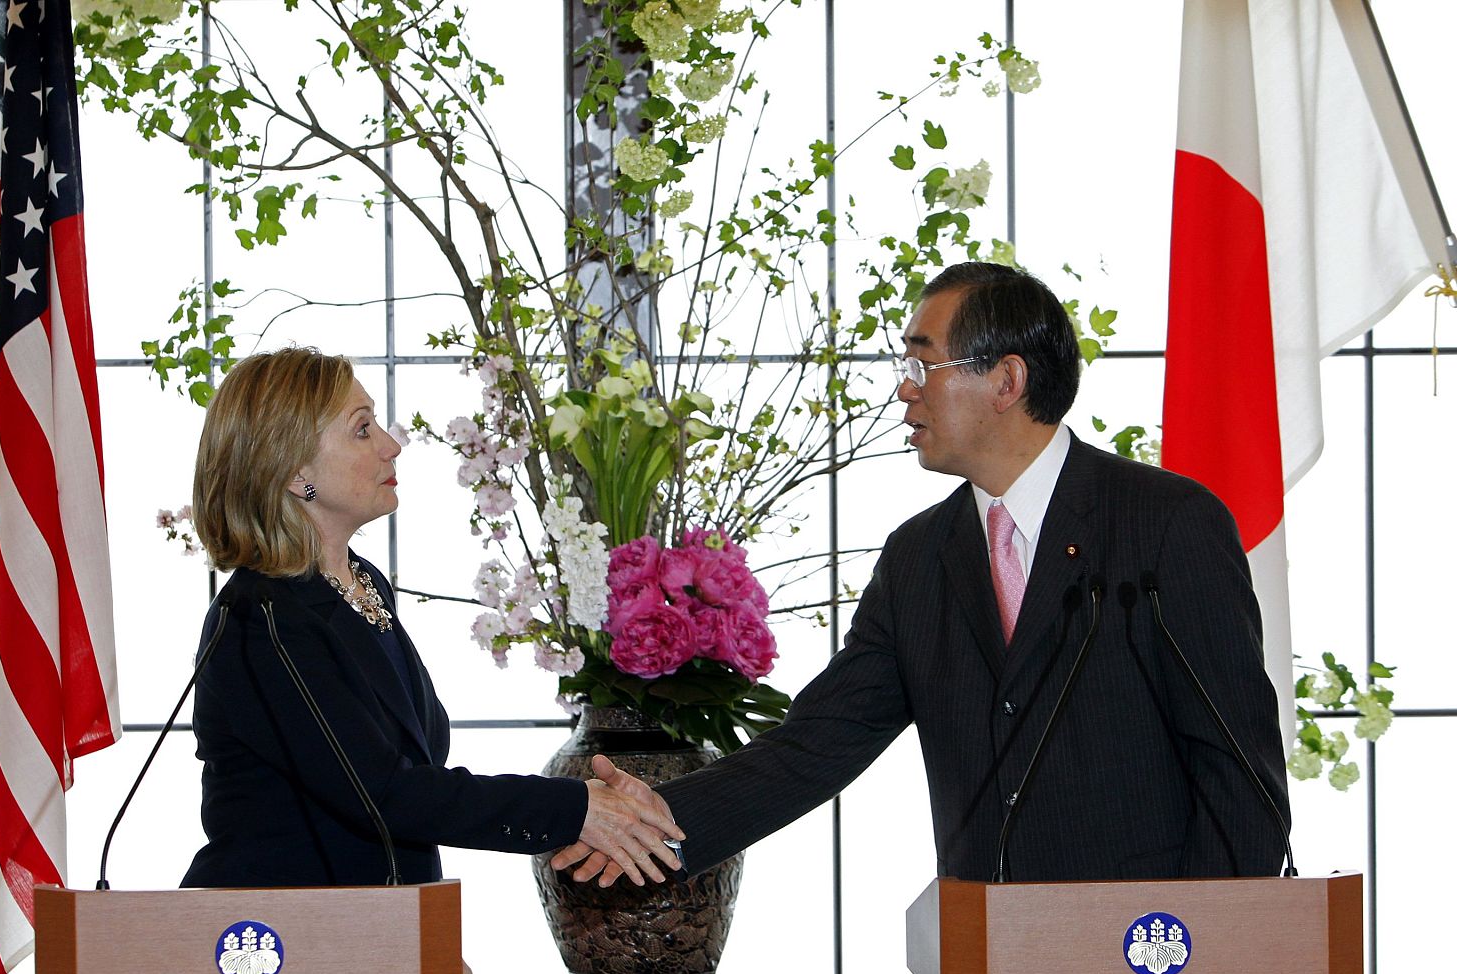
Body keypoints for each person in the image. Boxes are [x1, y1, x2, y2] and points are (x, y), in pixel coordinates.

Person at [553, 262, 1291, 886]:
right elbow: (815, 746)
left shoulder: (1164, 523)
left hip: (1148, 953)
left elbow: (1238, 770)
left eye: (921, 366)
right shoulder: (919, 559)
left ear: (1006, 379)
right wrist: (656, 821)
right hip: (988, 957)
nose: (903, 391)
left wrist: (1205, 951)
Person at [181, 347, 682, 900]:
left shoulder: (362, 583)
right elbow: (385, 795)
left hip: (380, 933)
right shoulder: (262, 620)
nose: (391, 447)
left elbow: (414, 782)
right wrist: (576, 809)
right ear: (296, 471)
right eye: (362, 430)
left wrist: (430, 955)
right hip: (281, 950)